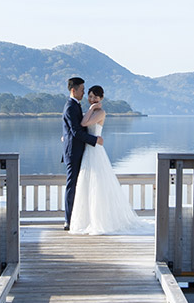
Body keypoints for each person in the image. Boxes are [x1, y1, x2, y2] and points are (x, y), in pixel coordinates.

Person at [69, 85, 146, 235]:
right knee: (87, 183)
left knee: (98, 184)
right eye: (90, 96)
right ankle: (87, 219)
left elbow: (84, 124)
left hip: (95, 150)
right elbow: (82, 125)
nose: (92, 99)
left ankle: (101, 220)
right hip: (89, 149)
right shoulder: (91, 111)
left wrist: (92, 108)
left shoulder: (101, 112)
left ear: (101, 99)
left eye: (95, 97)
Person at [60, 76, 101, 231]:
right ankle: (68, 220)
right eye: (82, 90)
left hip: (79, 150)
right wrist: (95, 139)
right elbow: (76, 131)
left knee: (80, 184)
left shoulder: (75, 105)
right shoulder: (70, 106)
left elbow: (72, 128)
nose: (84, 93)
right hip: (73, 152)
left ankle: (79, 218)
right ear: (73, 90)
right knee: (72, 185)